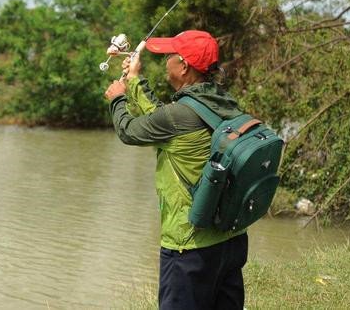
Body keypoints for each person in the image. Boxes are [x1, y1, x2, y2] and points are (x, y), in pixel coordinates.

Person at [104, 30, 248, 310]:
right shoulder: (223, 102)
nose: (166, 60)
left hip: (189, 246)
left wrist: (118, 99)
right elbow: (163, 120)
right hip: (230, 240)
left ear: (183, 67)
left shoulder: (180, 115)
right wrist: (134, 81)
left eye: (170, 56)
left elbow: (129, 131)